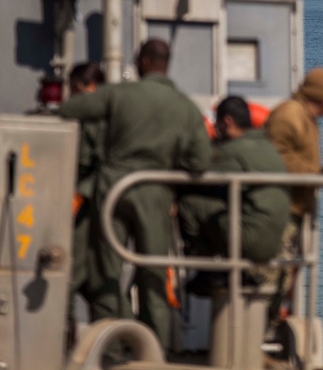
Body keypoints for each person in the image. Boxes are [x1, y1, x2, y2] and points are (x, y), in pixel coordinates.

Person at [59, 39, 212, 349]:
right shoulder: (185, 107)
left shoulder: (119, 94)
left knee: (107, 272)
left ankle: (111, 348)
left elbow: (70, 108)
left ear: (141, 62)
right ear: (166, 64)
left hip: (112, 190)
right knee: (153, 277)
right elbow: (200, 161)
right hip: (155, 192)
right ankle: (154, 351)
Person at [178, 96, 290, 274]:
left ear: (228, 122)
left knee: (188, 204)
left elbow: (199, 175)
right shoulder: (267, 146)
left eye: (218, 123)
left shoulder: (234, 151)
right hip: (274, 242)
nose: (216, 128)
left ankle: (206, 272)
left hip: (252, 240)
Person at [264, 66, 323, 320]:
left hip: (297, 208)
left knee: (286, 277)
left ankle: (269, 330)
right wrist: (315, 175)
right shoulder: (289, 115)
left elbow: (297, 160)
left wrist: (321, 171)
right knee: (272, 276)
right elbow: (277, 158)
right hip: (281, 209)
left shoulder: (305, 118)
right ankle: (258, 337)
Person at [66, 62, 117, 342]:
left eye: (75, 90)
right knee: (96, 280)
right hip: (92, 204)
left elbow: (101, 163)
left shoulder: (99, 119)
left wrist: (80, 192)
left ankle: (104, 348)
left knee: (76, 276)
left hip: (90, 206)